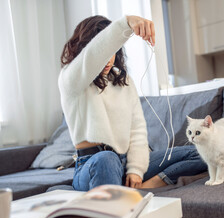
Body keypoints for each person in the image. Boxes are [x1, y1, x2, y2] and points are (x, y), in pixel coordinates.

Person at [58, 15, 207, 191]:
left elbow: (136, 130)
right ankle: (117, 201)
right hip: (92, 164)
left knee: (201, 152)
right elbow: (94, 54)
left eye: (112, 51)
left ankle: (146, 186)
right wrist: (126, 22)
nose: (107, 59)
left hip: (124, 161)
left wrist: (136, 170)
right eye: (104, 52)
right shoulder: (70, 79)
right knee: (106, 158)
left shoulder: (123, 81)